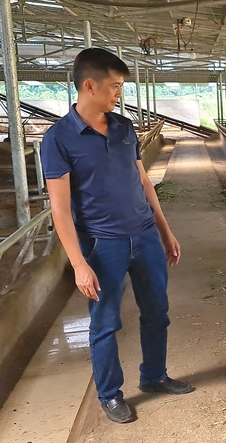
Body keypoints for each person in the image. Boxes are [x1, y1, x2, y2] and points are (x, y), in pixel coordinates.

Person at [41, 48, 194, 424]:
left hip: (143, 236)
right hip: (101, 244)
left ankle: (154, 375)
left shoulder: (124, 128)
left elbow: (143, 182)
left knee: (157, 311)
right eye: (115, 86)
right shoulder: (58, 139)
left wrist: (165, 230)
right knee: (105, 322)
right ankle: (110, 395)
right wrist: (78, 264)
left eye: (121, 86)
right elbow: (60, 209)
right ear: (89, 86)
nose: (119, 93)